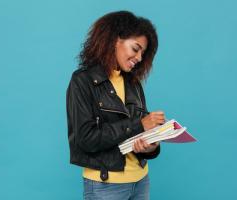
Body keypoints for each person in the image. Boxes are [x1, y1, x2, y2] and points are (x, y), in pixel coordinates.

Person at [66, 10, 165, 200]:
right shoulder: (83, 80)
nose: (139, 58)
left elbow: (140, 131)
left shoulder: (133, 83)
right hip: (106, 186)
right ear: (115, 40)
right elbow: (86, 139)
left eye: (143, 53)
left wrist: (151, 145)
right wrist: (139, 125)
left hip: (141, 181)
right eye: (135, 49)